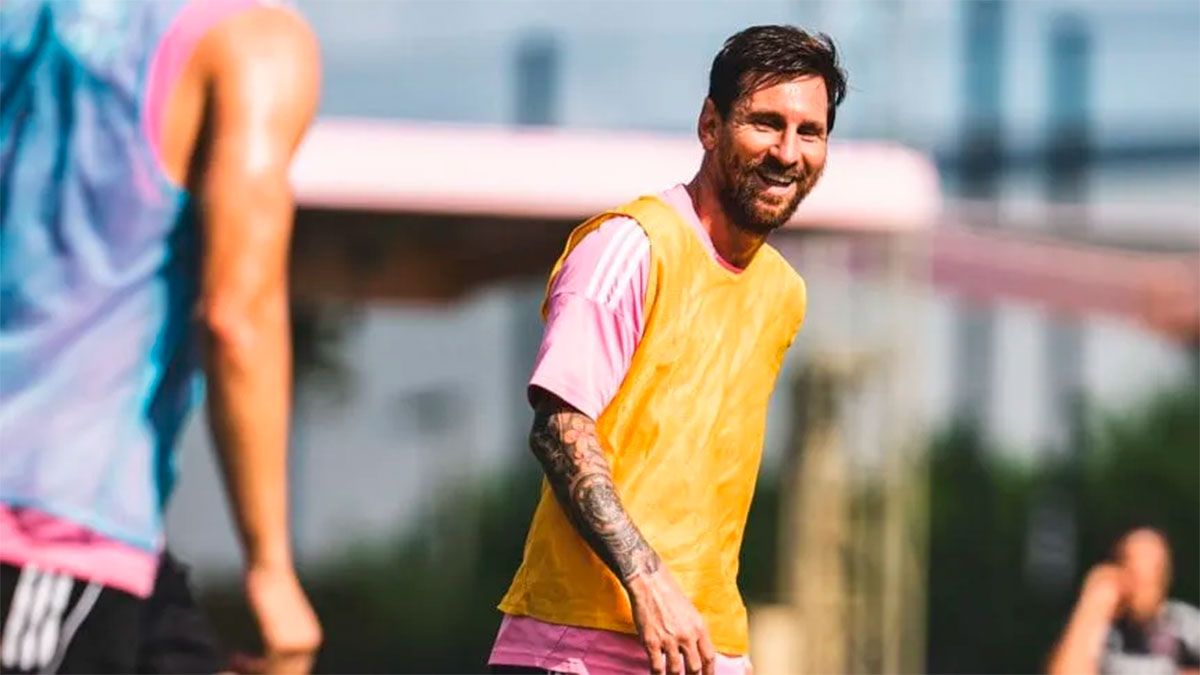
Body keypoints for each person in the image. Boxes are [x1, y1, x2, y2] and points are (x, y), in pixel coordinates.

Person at [489, 25, 846, 675]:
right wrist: (647, 580)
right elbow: (559, 427)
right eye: (766, 123)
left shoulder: (783, 293)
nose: (787, 152)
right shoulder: (631, 246)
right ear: (710, 125)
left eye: (810, 132)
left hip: (708, 648)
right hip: (578, 646)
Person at [0, 0, 321, 671]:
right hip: (46, 524)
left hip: (111, 538)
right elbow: (239, 315)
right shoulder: (253, 42)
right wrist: (270, 568)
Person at [1048, 528, 1200, 675]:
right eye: (1134, 569)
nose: (1144, 583)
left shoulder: (1183, 624)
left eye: (1154, 569)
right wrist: (1094, 603)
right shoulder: (1101, 627)